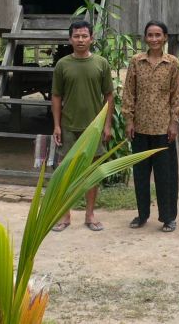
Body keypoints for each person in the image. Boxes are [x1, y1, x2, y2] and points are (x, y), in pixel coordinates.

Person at [51, 20, 114, 232]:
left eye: (84, 36)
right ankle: (64, 216)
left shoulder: (101, 63)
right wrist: (57, 126)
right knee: (65, 172)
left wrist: (107, 125)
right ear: (70, 39)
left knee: (92, 173)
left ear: (91, 39)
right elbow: (57, 97)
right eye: (76, 36)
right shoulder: (62, 65)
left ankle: (90, 214)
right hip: (68, 126)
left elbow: (109, 96)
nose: (80, 40)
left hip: (94, 129)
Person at [121, 20, 179, 233]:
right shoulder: (136, 62)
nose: (154, 39)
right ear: (145, 38)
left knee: (166, 176)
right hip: (140, 129)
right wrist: (129, 120)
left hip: (163, 130)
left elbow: (177, 96)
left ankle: (168, 217)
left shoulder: (172, 63)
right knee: (140, 175)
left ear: (165, 37)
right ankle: (142, 214)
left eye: (158, 35)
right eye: (150, 35)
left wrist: (174, 123)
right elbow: (129, 93)